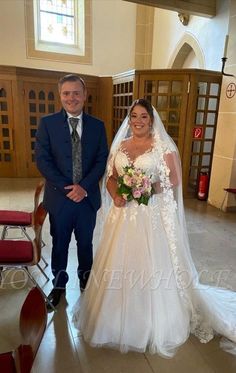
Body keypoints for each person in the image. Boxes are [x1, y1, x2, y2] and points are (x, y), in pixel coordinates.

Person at [72, 99, 236, 357]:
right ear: (129, 119)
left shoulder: (162, 146)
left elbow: (174, 178)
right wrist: (116, 195)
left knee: (150, 263)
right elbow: (112, 178)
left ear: (151, 120)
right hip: (122, 215)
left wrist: (148, 187)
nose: (138, 121)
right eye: (134, 116)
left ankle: (153, 321)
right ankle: (112, 319)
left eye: (143, 117)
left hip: (150, 215)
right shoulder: (120, 147)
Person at [35, 74, 108, 309]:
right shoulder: (47, 123)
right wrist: (68, 188)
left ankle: (86, 283)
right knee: (60, 244)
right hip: (60, 198)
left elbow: (101, 159)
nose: (71, 98)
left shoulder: (98, 126)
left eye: (76, 92)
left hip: (87, 199)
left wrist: (83, 187)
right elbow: (43, 160)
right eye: (66, 93)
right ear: (60, 95)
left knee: (86, 243)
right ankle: (58, 287)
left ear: (85, 95)